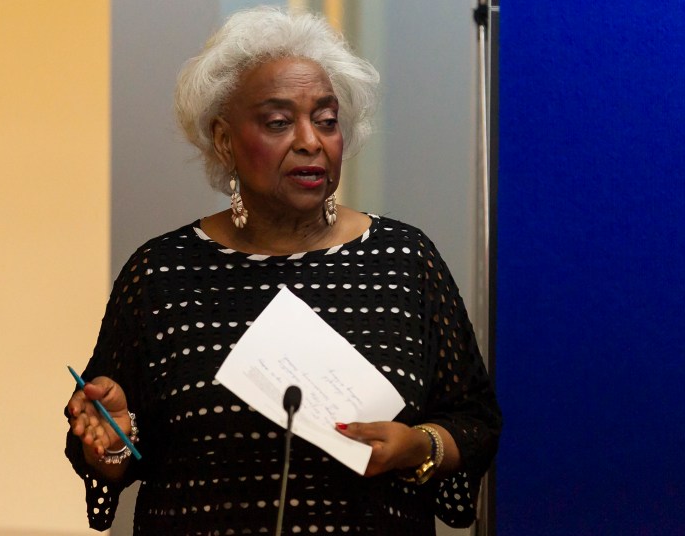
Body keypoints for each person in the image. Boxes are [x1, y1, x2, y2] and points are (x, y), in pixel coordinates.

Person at [65, 7, 501, 535]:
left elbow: (475, 424)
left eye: (326, 119)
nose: (310, 141)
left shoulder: (405, 262)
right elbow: (120, 455)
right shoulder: (161, 274)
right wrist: (111, 442)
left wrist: (420, 447)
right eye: (278, 122)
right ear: (224, 140)